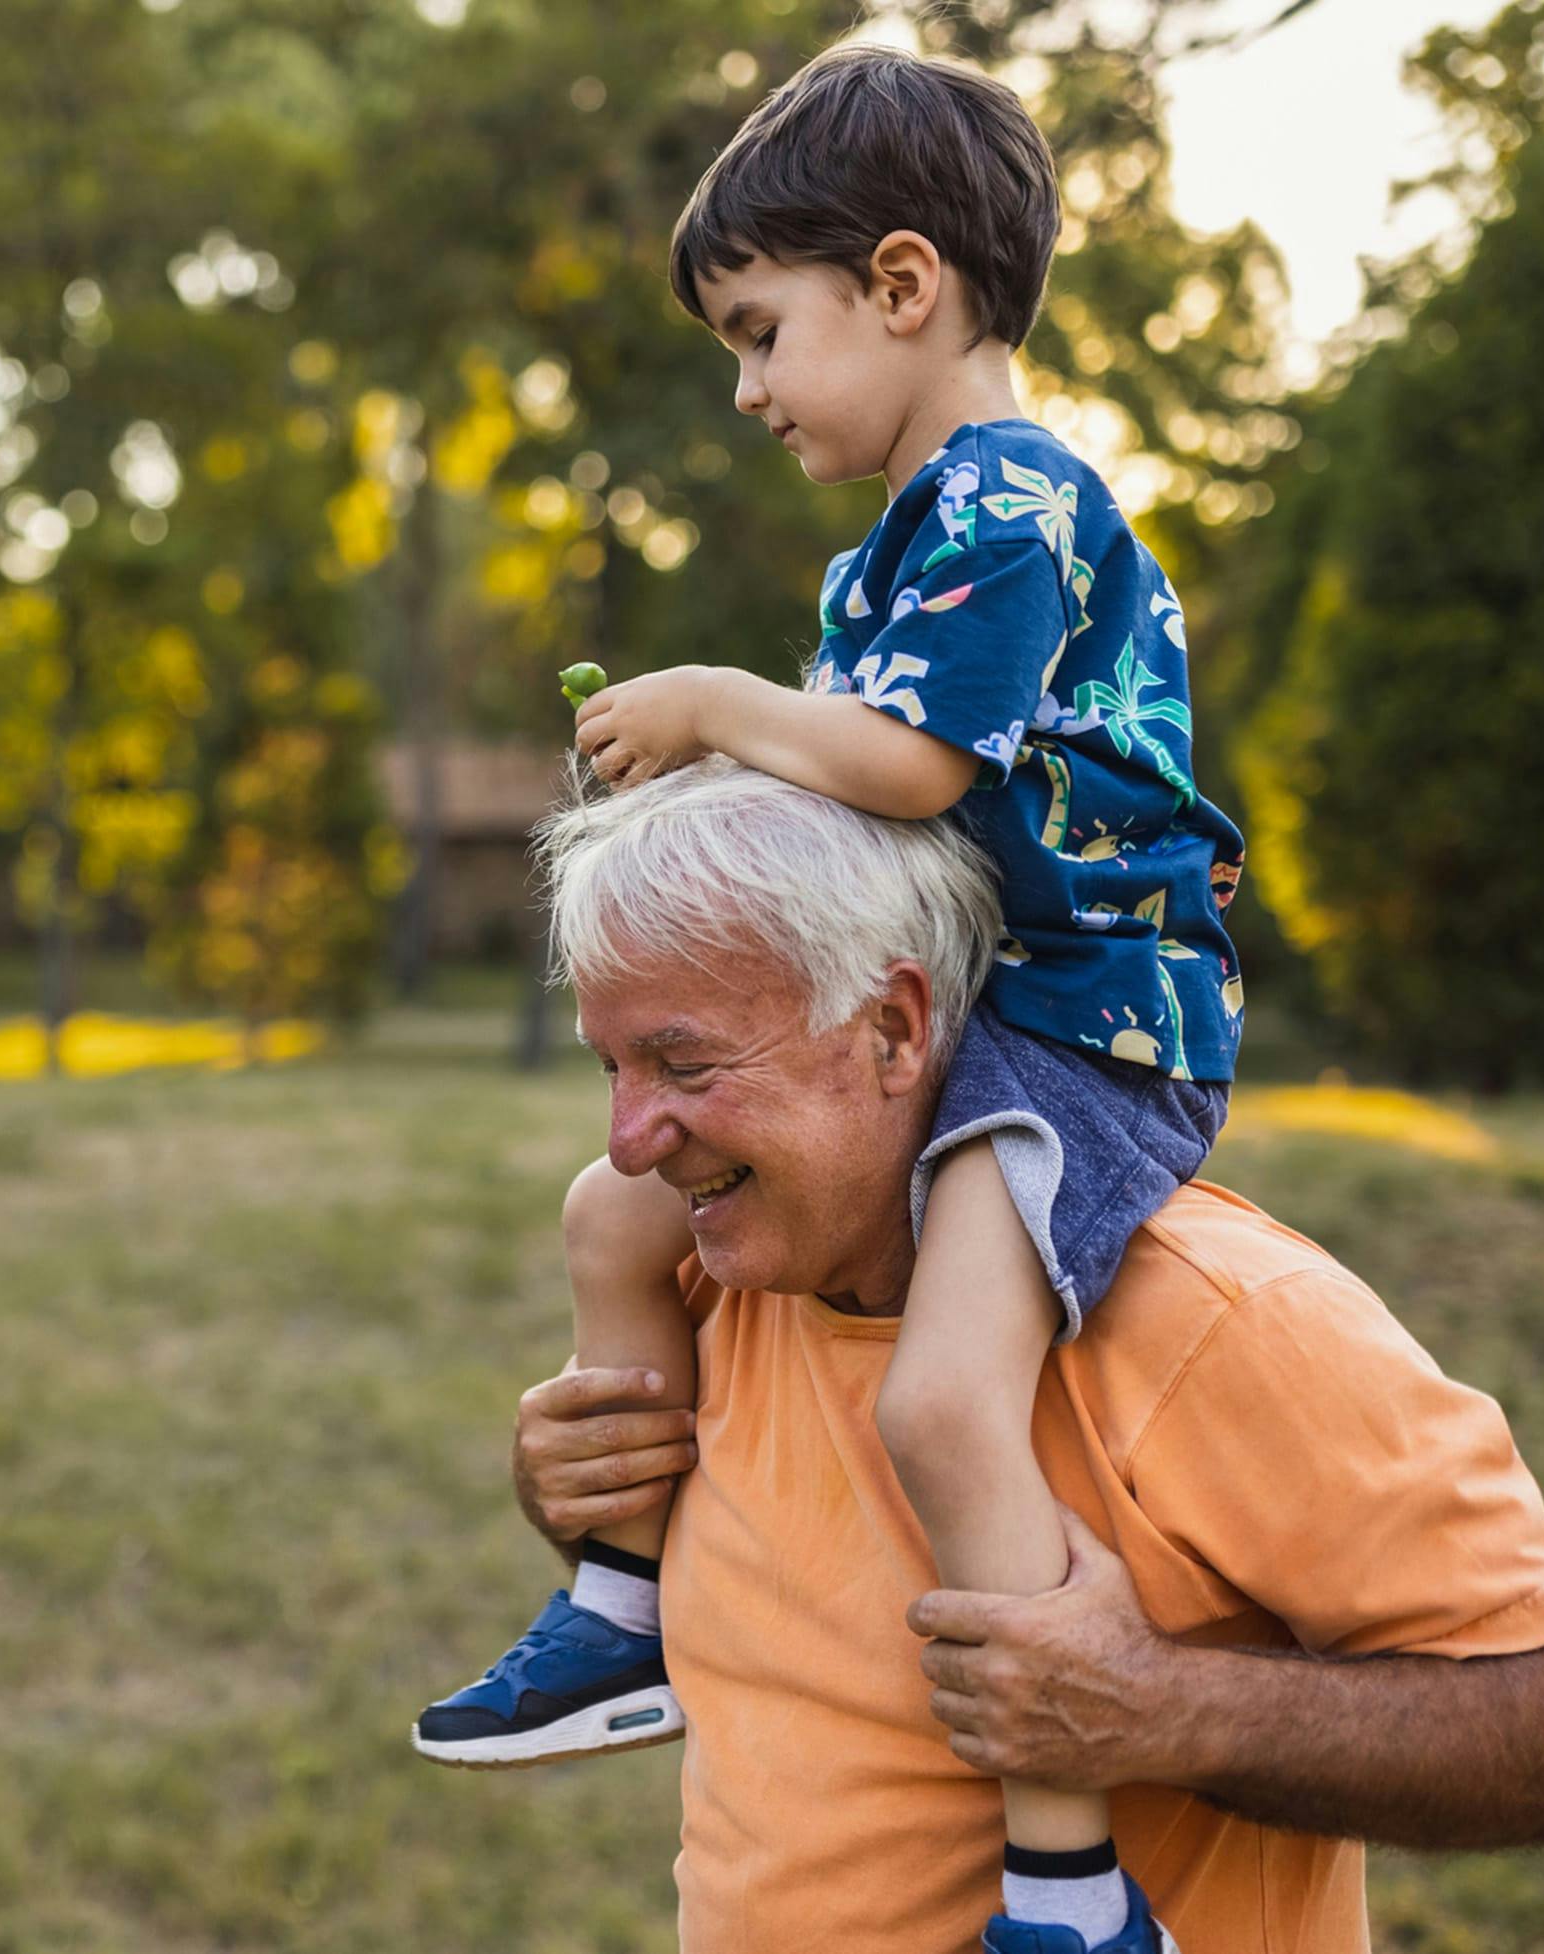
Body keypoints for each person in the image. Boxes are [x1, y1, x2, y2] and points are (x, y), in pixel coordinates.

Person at [416, 42, 1249, 1950]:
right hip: (947, 995)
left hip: (1085, 1026)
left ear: (899, 284)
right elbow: (845, 815)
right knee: (612, 1211)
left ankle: (1067, 1884)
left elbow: (910, 767)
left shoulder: (1013, 501)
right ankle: (620, 1601)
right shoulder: (898, 545)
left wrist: (714, 704)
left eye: (759, 332)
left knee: (946, 1402)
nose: (746, 388)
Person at [504, 759, 1544, 1954]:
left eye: (686, 1065)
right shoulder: (714, 1286)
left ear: (892, 1028)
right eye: (611, 1066)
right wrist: (598, 1512)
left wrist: (1165, 1710)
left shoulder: (1219, 1317)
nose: (629, 1140)